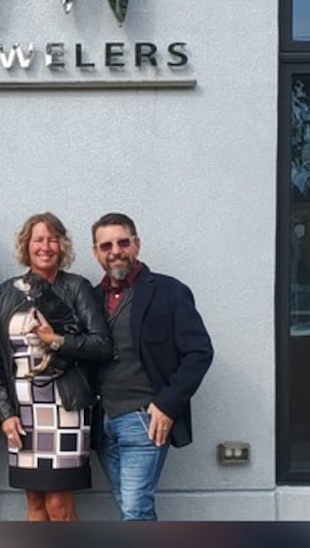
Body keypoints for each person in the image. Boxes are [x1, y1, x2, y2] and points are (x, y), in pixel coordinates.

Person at [88, 212, 213, 521]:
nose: (115, 250)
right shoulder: (89, 298)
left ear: (137, 244)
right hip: (102, 423)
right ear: (96, 253)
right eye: (106, 245)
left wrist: (167, 404)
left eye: (122, 242)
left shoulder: (169, 291)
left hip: (145, 419)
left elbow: (199, 352)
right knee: (130, 505)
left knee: (135, 509)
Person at [0, 212, 113, 521]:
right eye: (39, 239)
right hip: (23, 410)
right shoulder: (7, 292)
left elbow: (101, 345)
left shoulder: (76, 287)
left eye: (53, 239)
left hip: (66, 407)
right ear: (26, 245)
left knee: (58, 505)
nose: (46, 246)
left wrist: (56, 340)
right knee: (35, 506)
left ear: (63, 245)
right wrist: (6, 413)